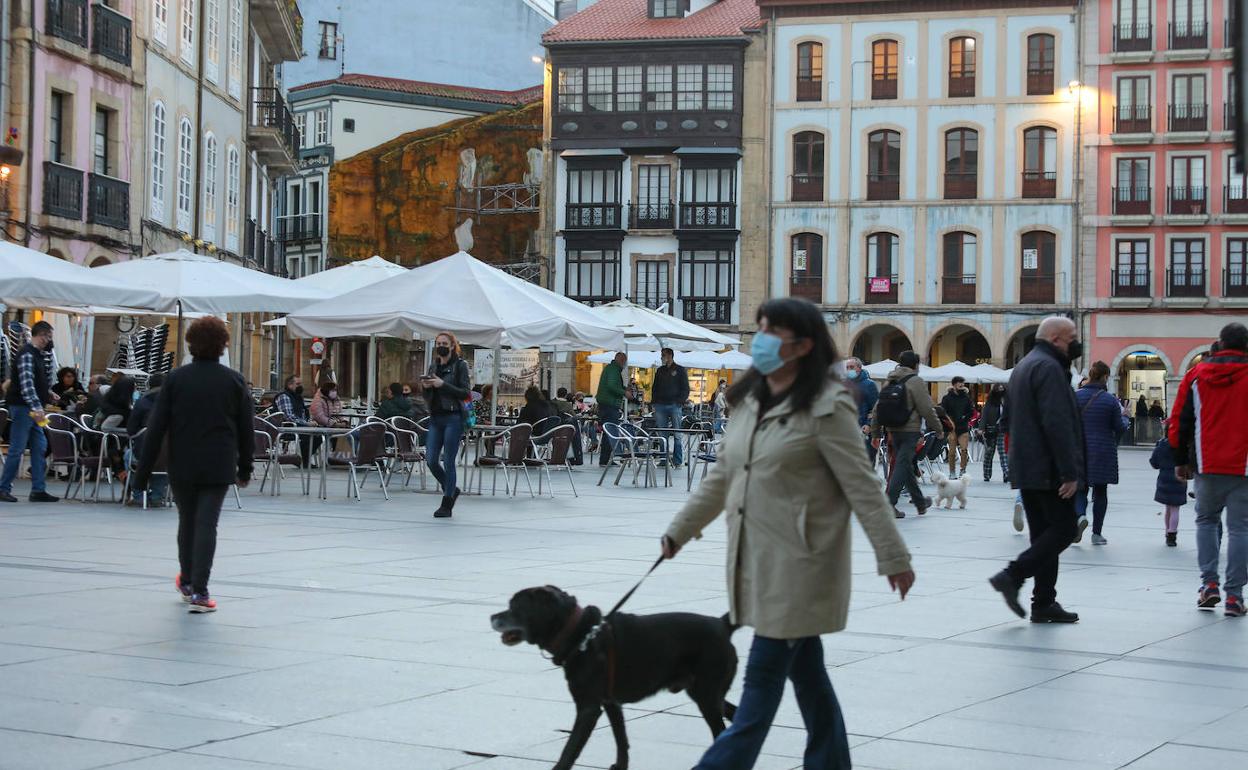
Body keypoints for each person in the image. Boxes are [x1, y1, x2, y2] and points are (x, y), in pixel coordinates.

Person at [660, 298, 914, 770]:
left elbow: (861, 485)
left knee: (758, 692)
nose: (761, 338)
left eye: (772, 330)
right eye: (759, 327)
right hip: (756, 557)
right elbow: (723, 476)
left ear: (803, 345)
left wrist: (894, 557)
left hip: (802, 564)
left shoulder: (827, 407)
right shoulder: (749, 401)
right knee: (809, 674)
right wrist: (679, 530)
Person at [132, 316, 254, 613]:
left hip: (182, 462)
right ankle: (200, 591)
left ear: (190, 344)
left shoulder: (176, 379)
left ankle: (187, 581)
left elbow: (156, 427)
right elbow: (245, 430)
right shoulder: (234, 381)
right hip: (219, 463)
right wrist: (245, 468)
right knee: (207, 524)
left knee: (187, 521)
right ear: (223, 345)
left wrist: (142, 472)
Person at [989, 316, 1084, 623]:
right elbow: (1056, 422)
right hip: (1047, 467)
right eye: (1072, 337)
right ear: (1056, 339)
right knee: (1065, 529)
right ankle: (1013, 575)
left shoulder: (1025, 366)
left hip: (1027, 464)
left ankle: (1043, 602)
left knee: (1044, 535)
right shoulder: (1049, 368)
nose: (1076, 343)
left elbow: (1011, 419)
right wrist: (1069, 472)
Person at [1168, 322, 1248, 617]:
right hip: (1243, 466)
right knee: (1240, 528)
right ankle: (1234, 598)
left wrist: (1179, 459)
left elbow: (1179, 421)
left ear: (1221, 342)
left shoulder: (1196, 375)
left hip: (1206, 462)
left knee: (1205, 522)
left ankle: (1209, 585)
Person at [870, 350, 941, 518]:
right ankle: (889, 504)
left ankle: (920, 503)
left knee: (906, 465)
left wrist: (875, 432)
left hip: (892, 430)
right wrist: (938, 429)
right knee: (902, 465)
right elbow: (926, 408)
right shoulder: (916, 381)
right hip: (910, 431)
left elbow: (877, 407)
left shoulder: (891, 379)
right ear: (916, 365)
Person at [0, 320, 60, 503]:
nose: (49, 340)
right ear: (40, 335)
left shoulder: (37, 354)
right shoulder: (27, 354)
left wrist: (48, 393)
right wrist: (37, 406)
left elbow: (33, 382)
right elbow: (26, 385)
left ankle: (38, 489)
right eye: (47, 336)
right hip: (24, 407)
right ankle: (3, 488)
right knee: (17, 448)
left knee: (40, 445)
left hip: (32, 408)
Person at [1073, 361, 1129, 546]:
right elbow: (1119, 428)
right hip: (1103, 451)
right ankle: (1097, 534)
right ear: (1105, 377)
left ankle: (1080, 516)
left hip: (1079, 450)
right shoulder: (1110, 400)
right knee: (1101, 492)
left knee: (1080, 488)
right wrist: (1125, 417)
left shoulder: (1076, 396)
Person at [423, 331, 471, 518]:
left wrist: (442, 384)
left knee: (449, 461)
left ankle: (447, 502)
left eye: (444, 343)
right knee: (431, 460)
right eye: (438, 343)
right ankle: (451, 487)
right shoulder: (433, 366)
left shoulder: (460, 365)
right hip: (435, 418)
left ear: (452, 346)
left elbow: (465, 393)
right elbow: (427, 397)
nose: (440, 345)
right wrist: (426, 387)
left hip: (453, 418)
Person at [127, 373, 169, 507]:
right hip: (171, 454)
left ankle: (138, 495)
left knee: (129, 456)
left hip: (145, 451)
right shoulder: (177, 402)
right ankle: (157, 495)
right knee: (164, 459)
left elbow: (131, 430)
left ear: (149, 385)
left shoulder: (142, 402)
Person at [651, 348, 690, 468]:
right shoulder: (660, 370)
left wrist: (679, 402)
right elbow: (655, 387)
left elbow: (685, 388)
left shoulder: (680, 370)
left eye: (663, 355)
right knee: (663, 434)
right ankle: (663, 459)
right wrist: (654, 402)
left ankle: (677, 460)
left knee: (677, 433)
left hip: (674, 405)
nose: (661, 357)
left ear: (670, 356)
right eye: (661, 355)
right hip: (660, 405)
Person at [1151, 425, 1188, 547]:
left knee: (1168, 508)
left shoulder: (1161, 445)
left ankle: (1167, 532)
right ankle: (1172, 534)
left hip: (1164, 479)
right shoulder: (1183, 446)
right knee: (1175, 509)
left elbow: (1154, 463)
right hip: (1179, 478)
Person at [595, 351, 626, 466]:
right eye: (624, 361)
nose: (624, 364)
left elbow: (613, 385)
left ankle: (606, 459)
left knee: (608, 432)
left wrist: (623, 388)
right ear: (621, 360)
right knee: (611, 432)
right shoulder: (613, 370)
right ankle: (606, 460)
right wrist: (624, 392)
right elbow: (611, 386)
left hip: (606, 404)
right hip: (610, 404)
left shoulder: (611, 369)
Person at [843, 357, 878, 460]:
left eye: (851, 367)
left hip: (863, 430)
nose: (849, 370)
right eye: (847, 367)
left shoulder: (869, 385)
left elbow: (875, 408)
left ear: (859, 368)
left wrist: (868, 424)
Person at [940, 375, 975, 476]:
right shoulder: (946, 398)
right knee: (951, 452)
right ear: (954, 385)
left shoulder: (966, 398)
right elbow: (943, 411)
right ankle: (952, 472)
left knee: (964, 449)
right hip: (952, 428)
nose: (962, 385)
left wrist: (965, 417)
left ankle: (963, 470)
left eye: (963, 383)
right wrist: (948, 421)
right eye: (960, 383)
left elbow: (971, 411)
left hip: (963, 427)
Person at [980, 385, 1006, 482]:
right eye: (999, 389)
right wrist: (981, 428)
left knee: (1003, 452)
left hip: (1002, 430)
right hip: (991, 430)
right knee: (989, 453)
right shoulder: (990, 402)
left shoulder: (1006, 402)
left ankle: (1006, 473)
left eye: (1002, 389)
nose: (1001, 391)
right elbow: (984, 415)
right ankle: (986, 474)